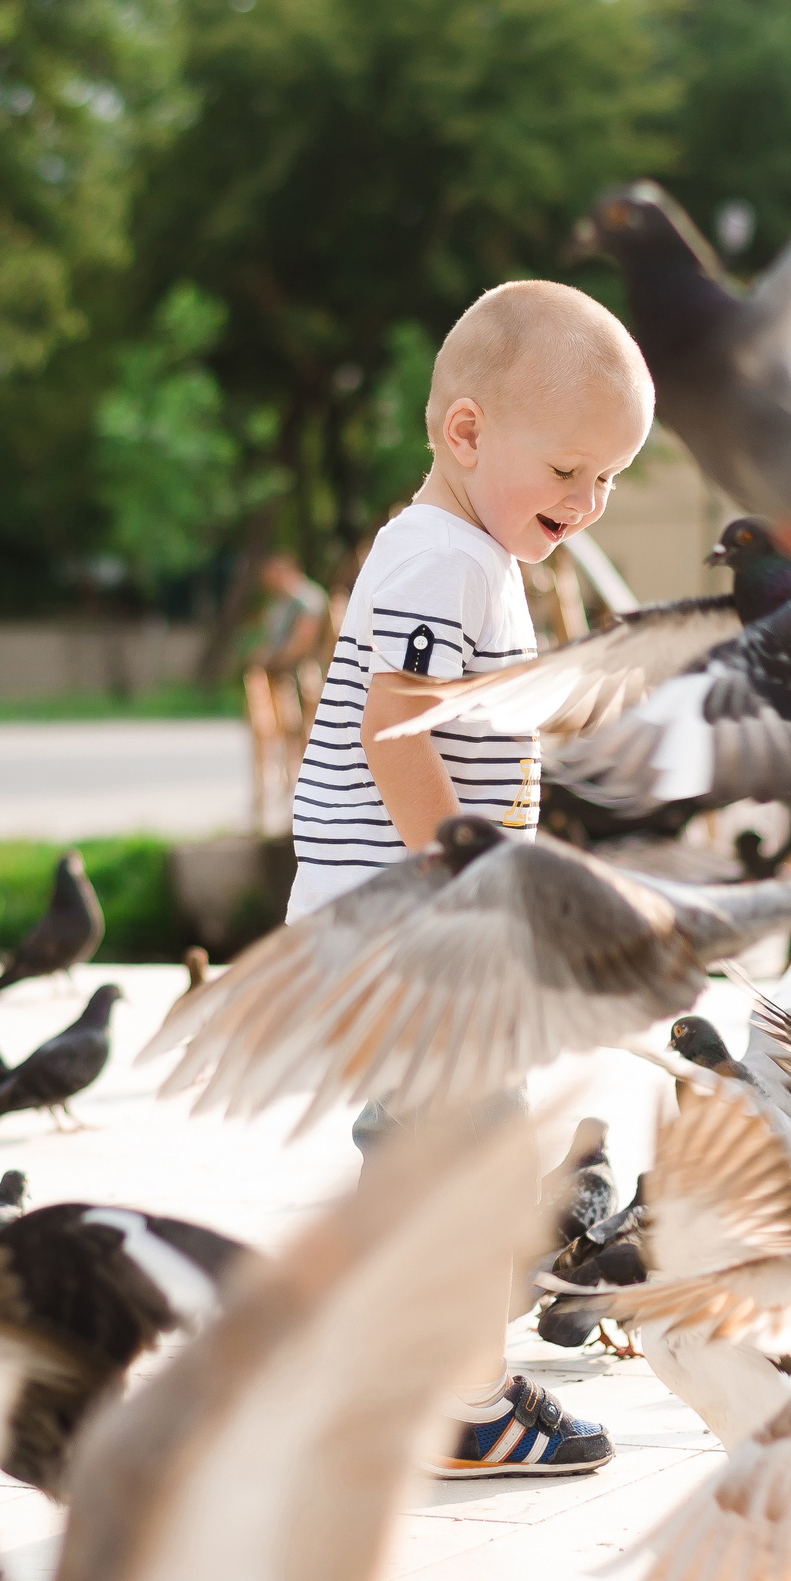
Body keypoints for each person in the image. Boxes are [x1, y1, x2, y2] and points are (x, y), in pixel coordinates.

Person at [286, 278, 653, 1477]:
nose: (587, 504)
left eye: (608, 479)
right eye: (566, 472)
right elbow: (395, 724)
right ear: (465, 433)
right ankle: (455, 1403)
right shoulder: (445, 561)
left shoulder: (455, 551)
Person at [242, 551, 333, 834]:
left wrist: (272, 659)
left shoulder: (307, 599)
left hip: (300, 679)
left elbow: (303, 641)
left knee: (301, 738)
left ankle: (306, 798)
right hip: (280, 678)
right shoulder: (281, 602)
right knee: (280, 739)